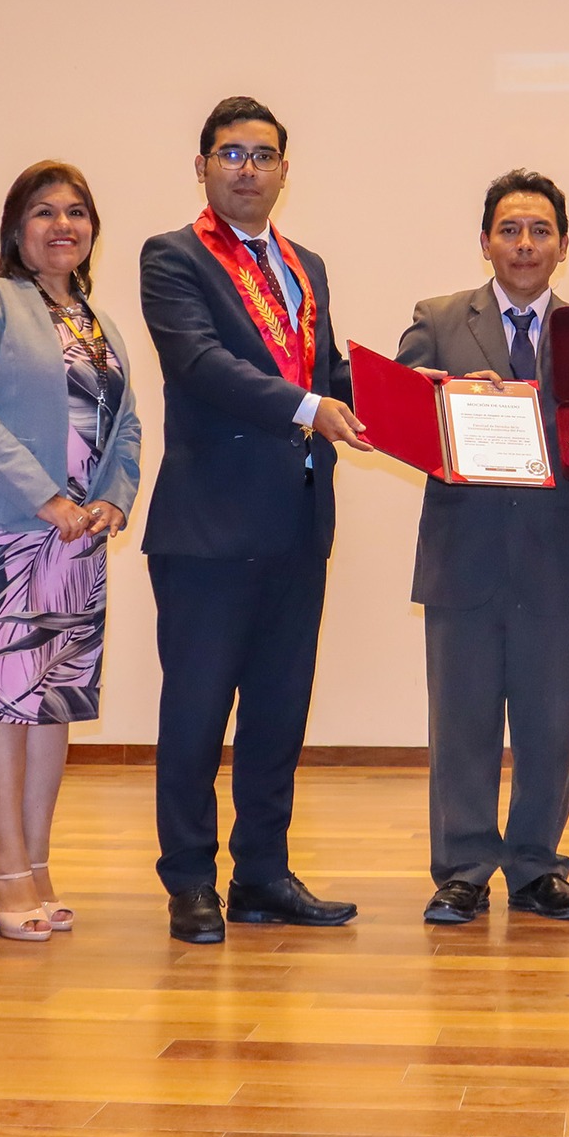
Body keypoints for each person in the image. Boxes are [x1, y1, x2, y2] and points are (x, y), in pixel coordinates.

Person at [139, 95, 368, 944]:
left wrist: (440, 396)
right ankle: (191, 880)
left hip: (299, 523)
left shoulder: (305, 263)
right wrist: (312, 405)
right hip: (207, 527)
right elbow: (199, 363)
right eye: (230, 154)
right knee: (196, 712)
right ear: (201, 166)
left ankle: (263, 874)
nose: (248, 168)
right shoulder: (173, 257)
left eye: (263, 154)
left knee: (279, 710)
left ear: (283, 168)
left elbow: (329, 368)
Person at [395, 170, 569, 925]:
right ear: (486, 242)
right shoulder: (435, 319)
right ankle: (462, 868)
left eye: (540, 231)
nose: (524, 244)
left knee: (550, 725)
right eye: (510, 229)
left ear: (563, 245)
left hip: (558, 558)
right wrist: (431, 397)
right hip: (461, 556)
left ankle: (537, 868)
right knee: (459, 724)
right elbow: (397, 423)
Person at [0, 161, 141, 941]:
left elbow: (127, 426)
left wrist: (113, 497)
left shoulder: (99, 323)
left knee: (52, 703)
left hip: (79, 542)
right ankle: (4, 867)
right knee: (1, 701)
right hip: (2, 533)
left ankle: (40, 862)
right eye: (44, 211)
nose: (63, 224)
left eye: (77, 211)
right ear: (16, 228)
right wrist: (46, 498)